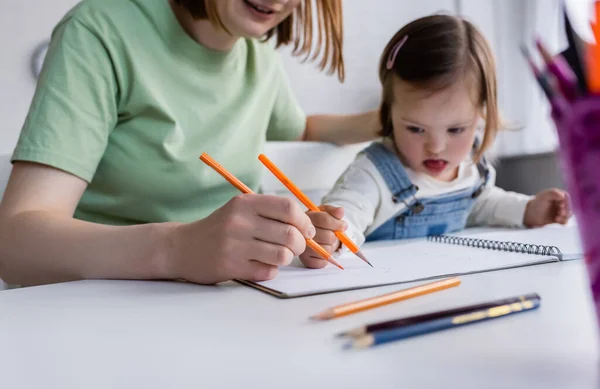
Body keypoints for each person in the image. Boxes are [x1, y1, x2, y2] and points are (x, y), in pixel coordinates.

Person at [0, 0, 377, 286]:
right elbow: (15, 245)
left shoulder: (257, 51)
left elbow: (301, 129)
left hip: (233, 300)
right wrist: (176, 248)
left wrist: (399, 120)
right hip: (107, 303)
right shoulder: (101, 28)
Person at [300, 14, 571, 269]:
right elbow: (352, 208)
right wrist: (331, 236)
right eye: (416, 129)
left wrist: (527, 210)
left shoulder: (470, 166)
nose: (436, 147)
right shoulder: (373, 172)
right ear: (389, 114)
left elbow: (482, 205)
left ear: (481, 115)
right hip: (390, 297)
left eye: (456, 130)